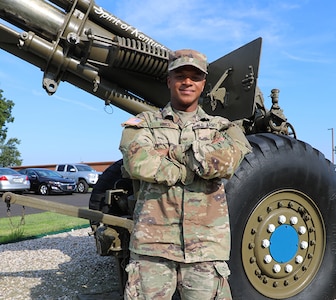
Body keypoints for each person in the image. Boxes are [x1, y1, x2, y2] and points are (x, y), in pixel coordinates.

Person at [119, 49, 251, 299]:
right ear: (169, 80)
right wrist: (196, 165)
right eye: (180, 75)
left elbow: (227, 162)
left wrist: (168, 153)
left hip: (206, 249)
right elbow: (137, 161)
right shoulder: (143, 123)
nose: (187, 82)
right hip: (152, 248)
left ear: (203, 83)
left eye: (195, 76)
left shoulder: (223, 127)